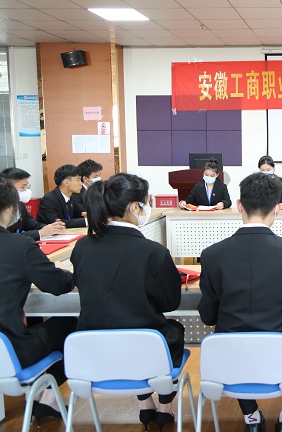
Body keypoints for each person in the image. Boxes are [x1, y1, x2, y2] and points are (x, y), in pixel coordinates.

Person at [199, 172, 282, 432]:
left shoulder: (211, 255)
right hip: (278, 355)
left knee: (231, 337)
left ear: (239, 205)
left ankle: (251, 417)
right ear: (277, 209)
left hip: (232, 358)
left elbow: (208, 316)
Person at [71, 173, 184, 431]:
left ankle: (145, 403)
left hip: (94, 353)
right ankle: (164, 405)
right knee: (173, 330)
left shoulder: (82, 247)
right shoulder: (153, 252)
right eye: (147, 202)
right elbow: (170, 303)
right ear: (134, 207)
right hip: (144, 351)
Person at [0, 176, 76, 423]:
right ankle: (46, 398)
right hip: (12, 350)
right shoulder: (19, 246)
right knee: (73, 325)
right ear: (10, 209)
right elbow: (58, 285)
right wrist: (69, 273)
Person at [1, 167, 65, 240]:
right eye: (23, 187)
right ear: (7, 188)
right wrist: (39, 233)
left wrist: (52, 228)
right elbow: (5, 237)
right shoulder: (2, 209)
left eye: (27, 186)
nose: (26, 190)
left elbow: (33, 225)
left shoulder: (20, 205)